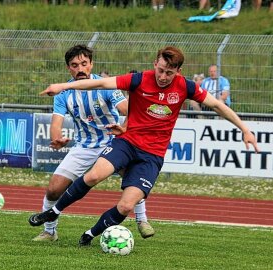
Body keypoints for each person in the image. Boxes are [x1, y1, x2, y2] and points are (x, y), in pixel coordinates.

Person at [30, 45, 260, 246]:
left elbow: (217, 106)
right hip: (122, 143)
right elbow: (100, 84)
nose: (162, 76)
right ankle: (52, 215)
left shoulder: (186, 87)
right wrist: (62, 86)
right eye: (160, 70)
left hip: (151, 154)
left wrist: (245, 129)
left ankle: (93, 234)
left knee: (127, 203)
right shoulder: (139, 79)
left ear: (177, 72)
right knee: (90, 178)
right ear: (155, 65)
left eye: (169, 73)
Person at [31, 44, 154, 242]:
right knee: (54, 188)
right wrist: (57, 139)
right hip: (84, 146)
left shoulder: (105, 86)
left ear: (91, 64)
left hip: (113, 143)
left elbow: (127, 109)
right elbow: (56, 123)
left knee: (131, 177)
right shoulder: (64, 94)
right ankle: (49, 231)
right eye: (74, 65)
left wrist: (124, 127)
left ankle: (142, 219)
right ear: (68, 68)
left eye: (83, 64)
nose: (80, 69)